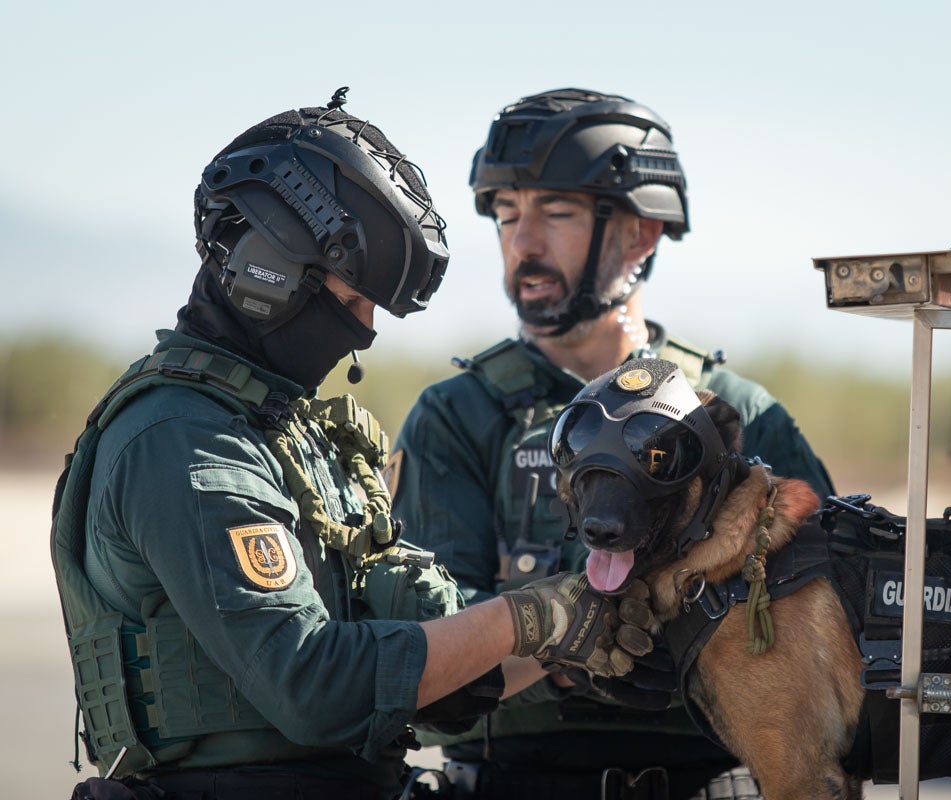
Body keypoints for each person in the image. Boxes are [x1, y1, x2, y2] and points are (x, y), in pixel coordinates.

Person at [50, 91, 654, 800]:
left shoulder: (287, 432)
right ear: (267, 266)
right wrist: (530, 616)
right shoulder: (184, 443)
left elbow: (420, 670)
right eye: (354, 295)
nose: (364, 328)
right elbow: (313, 685)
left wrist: (568, 634)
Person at [389, 88, 835, 800]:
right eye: (507, 215)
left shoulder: (742, 416)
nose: (523, 243)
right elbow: (421, 675)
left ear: (639, 236)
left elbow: (821, 654)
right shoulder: (458, 418)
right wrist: (563, 658)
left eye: (555, 214)